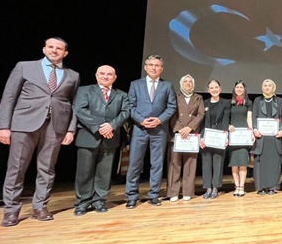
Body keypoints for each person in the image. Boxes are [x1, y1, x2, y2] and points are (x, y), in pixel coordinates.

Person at [0, 37, 80, 227]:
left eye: (59, 48)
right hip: (24, 124)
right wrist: (4, 126)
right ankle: (11, 210)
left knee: (47, 169)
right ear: (44, 49)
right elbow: (9, 97)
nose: (54, 50)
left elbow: (74, 104)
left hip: (56, 126)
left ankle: (40, 207)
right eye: (51, 47)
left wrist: (70, 129)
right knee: (17, 168)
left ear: (65, 53)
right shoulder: (24, 67)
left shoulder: (73, 75)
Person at [72, 65, 130, 215]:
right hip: (88, 136)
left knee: (104, 172)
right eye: (102, 73)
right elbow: (80, 110)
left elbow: (125, 112)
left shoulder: (122, 95)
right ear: (96, 75)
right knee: (84, 172)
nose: (105, 76)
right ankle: (83, 202)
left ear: (114, 78)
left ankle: (100, 201)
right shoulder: (84, 90)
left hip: (111, 137)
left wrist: (112, 125)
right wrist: (100, 127)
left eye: (109, 74)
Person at [125, 55, 178, 208]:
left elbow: (171, 107)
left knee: (157, 163)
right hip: (140, 129)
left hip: (159, 130)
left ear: (162, 68)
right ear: (145, 67)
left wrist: (159, 120)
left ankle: (154, 195)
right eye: (151, 65)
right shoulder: (135, 84)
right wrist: (141, 120)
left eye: (157, 65)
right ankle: (131, 196)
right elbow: (130, 106)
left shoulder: (167, 85)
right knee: (135, 163)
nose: (154, 68)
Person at [167, 74, 205, 202]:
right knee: (175, 164)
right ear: (181, 84)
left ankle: (187, 192)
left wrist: (190, 128)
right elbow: (171, 113)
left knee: (190, 163)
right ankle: (173, 192)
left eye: (190, 82)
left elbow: (201, 114)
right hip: (177, 134)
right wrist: (179, 129)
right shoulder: (174, 96)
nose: (188, 84)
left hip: (191, 134)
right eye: (186, 82)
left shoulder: (198, 97)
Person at [251, 79, 282, 195]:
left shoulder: (279, 100)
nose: (267, 87)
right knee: (261, 163)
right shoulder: (257, 100)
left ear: (273, 88)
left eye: (269, 85)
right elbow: (254, 116)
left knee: (273, 162)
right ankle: (261, 187)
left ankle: (272, 187)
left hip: (274, 137)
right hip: (261, 137)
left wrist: (281, 129)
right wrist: (255, 129)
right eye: (265, 85)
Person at [199, 79, 230, 199]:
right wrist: (201, 137)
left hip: (219, 136)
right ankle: (208, 188)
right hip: (206, 135)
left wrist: (225, 136)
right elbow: (201, 122)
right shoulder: (204, 103)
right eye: (211, 88)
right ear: (208, 90)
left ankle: (216, 187)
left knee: (218, 162)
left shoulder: (226, 103)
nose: (214, 90)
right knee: (206, 163)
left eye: (216, 87)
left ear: (220, 88)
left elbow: (226, 120)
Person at [228, 81, 253, 197]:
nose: (239, 89)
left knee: (243, 162)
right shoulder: (230, 103)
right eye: (237, 87)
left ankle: (242, 186)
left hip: (244, 136)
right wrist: (228, 126)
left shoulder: (248, 103)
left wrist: (251, 132)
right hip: (233, 136)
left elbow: (249, 118)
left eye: (241, 87)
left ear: (244, 89)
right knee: (234, 163)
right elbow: (226, 118)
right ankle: (236, 186)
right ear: (234, 89)